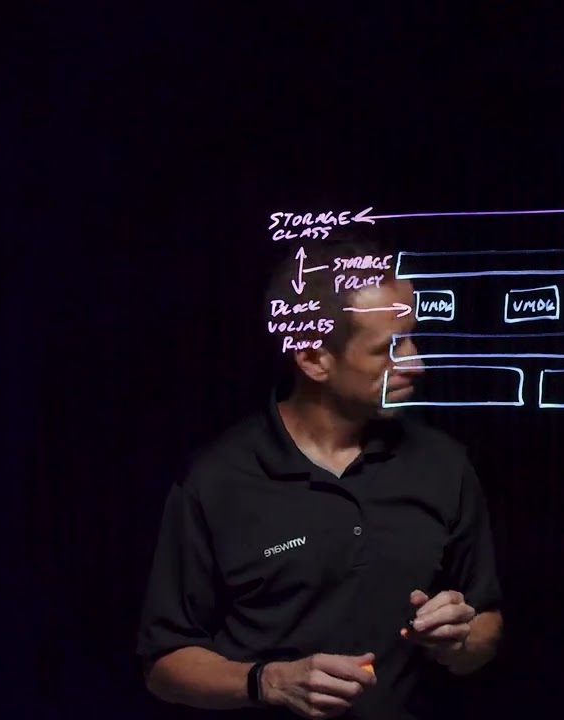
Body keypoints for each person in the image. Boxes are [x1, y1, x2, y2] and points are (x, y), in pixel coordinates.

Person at [137, 231, 503, 719]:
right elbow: (164, 665)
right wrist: (268, 682)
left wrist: (461, 640)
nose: (415, 363)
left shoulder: (444, 466)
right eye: (388, 348)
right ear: (312, 358)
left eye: (412, 337)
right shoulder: (218, 480)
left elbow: (486, 625)